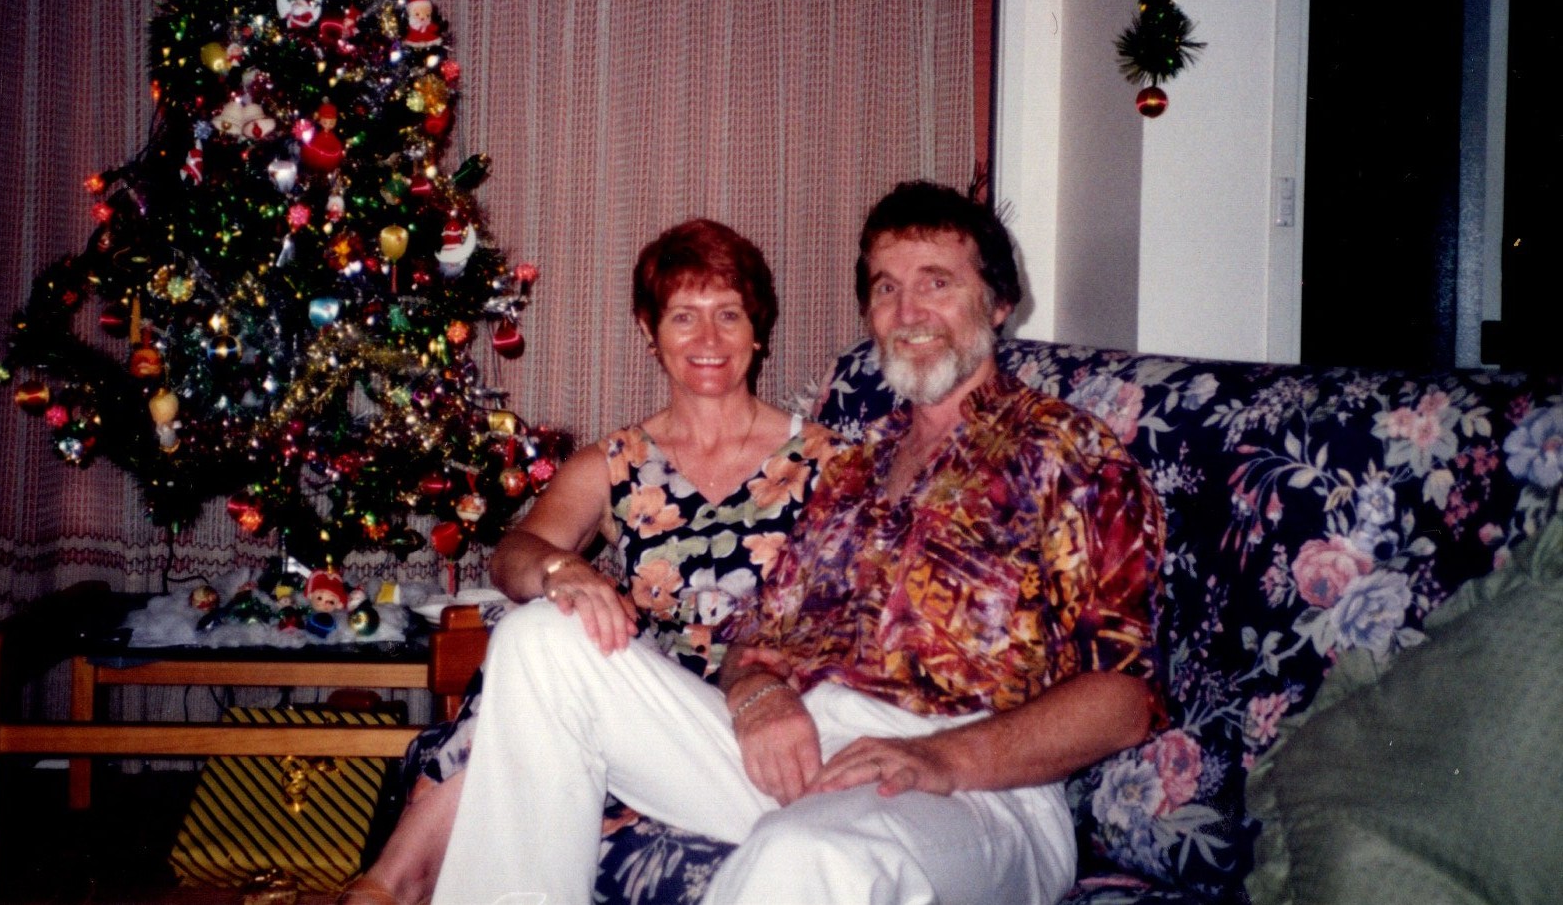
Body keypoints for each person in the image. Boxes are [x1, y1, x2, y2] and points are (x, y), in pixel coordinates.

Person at [429, 180, 1166, 905]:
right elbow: (754, 639)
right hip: (809, 744)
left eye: (936, 283)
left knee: (805, 854)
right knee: (540, 641)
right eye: (885, 289)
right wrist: (757, 694)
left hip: (980, 782)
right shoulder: (856, 466)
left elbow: (1124, 698)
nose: (908, 312)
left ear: (998, 302)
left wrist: (943, 755)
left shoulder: (1066, 453)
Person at [339, 218, 842, 905]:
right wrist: (562, 571)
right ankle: (396, 881)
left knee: (537, 669)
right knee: (544, 630)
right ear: (649, 331)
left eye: (729, 314)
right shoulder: (617, 461)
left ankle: (393, 880)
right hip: (637, 707)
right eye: (683, 316)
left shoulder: (827, 461)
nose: (709, 339)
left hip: (756, 720)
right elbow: (515, 553)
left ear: (758, 328)